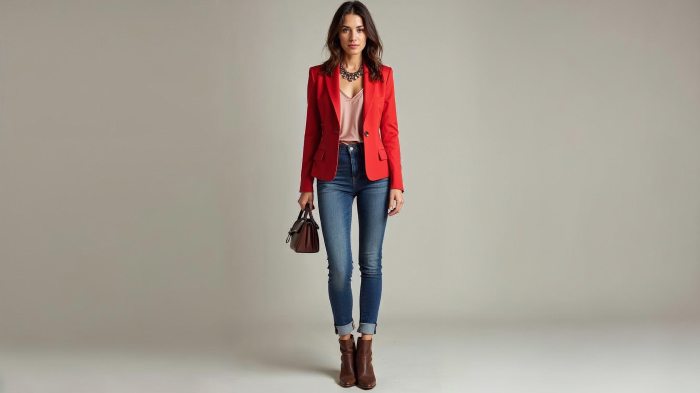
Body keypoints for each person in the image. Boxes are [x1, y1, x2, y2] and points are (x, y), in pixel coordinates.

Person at [296, 1, 404, 389]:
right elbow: (312, 131)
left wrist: (398, 183)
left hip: (376, 173)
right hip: (333, 171)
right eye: (346, 29)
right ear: (336, 34)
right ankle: (345, 346)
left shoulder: (384, 75)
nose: (353, 36)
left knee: (371, 262)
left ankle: (366, 349)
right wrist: (305, 184)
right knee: (340, 267)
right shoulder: (318, 76)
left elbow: (390, 131)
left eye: (359, 29)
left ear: (367, 33)